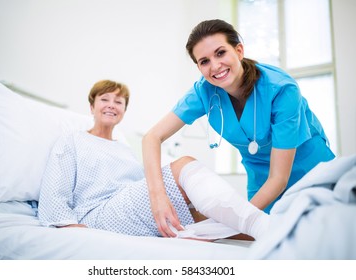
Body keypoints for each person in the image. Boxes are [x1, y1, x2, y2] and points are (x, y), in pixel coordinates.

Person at [142, 19, 335, 237]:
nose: (215, 66)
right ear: (198, 67)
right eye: (204, 61)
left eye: (220, 53)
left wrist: (226, 229)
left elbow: (279, 178)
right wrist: (158, 196)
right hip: (261, 177)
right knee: (268, 242)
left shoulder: (281, 89)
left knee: (323, 237)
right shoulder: (204, 92)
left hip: (309, 168)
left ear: (239, 50)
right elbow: (151, 137)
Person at [37, 79, 269, 240]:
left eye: (118, 102)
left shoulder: (124, 149)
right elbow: (54, 188)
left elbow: (140, 185)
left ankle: (272, 234)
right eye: (104, 99)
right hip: (97, 214)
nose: (111, 105)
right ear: (91, 106)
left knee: (206, 216)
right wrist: (68, 225)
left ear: (124, 111)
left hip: (127, 208)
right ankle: (264, 225)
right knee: (183, 166)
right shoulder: (73, 140)